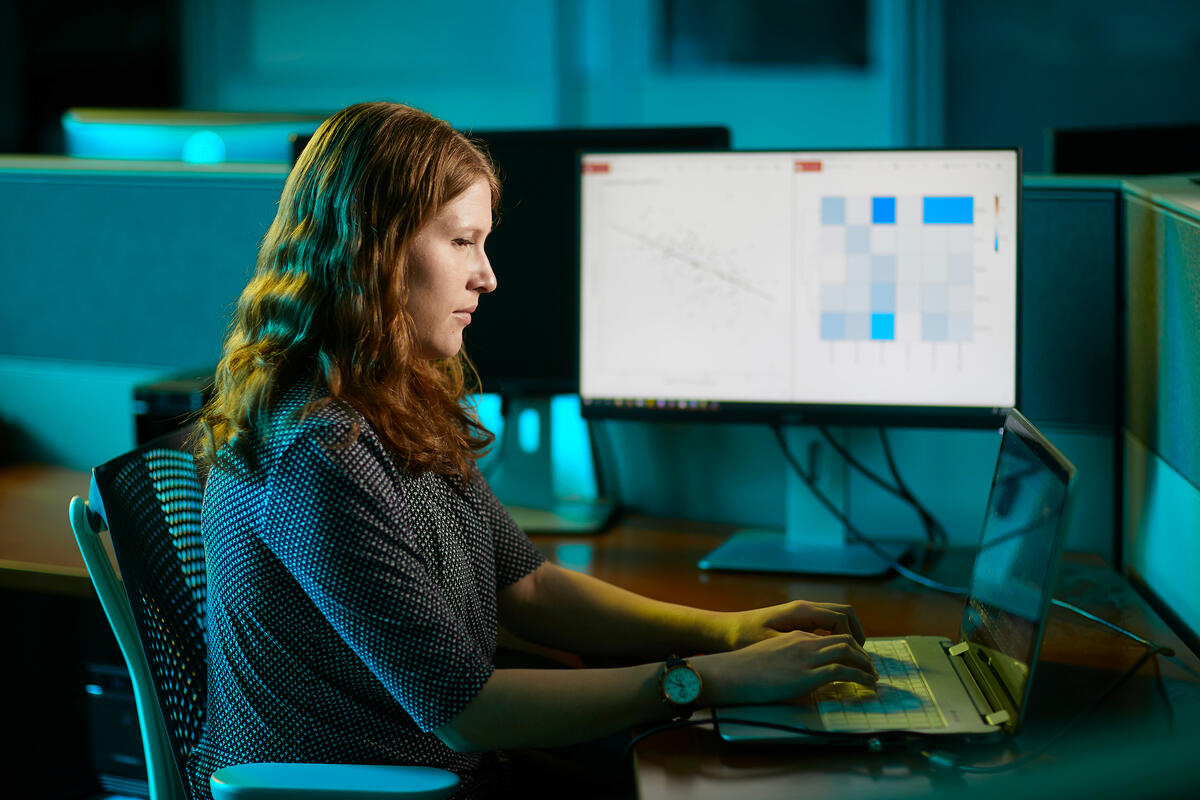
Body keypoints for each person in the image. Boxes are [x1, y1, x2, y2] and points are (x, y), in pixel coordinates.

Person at [189, 101, 877, 799]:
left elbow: (529, 587)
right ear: (375, 246)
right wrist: (700, 679)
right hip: (389, 786)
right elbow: (467, 712)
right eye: (462, 242)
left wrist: (728, 633)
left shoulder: (393, 398)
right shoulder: (317, 448)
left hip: (443, 769)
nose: (486, 276)